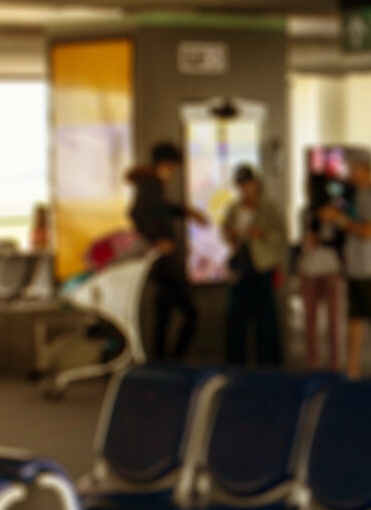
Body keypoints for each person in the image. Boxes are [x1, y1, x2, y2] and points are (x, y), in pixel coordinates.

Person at [320, 149, 371, 379]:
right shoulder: (353, 195)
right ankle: (352, 367)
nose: (349, 173)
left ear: (366, 169)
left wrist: (339, 220)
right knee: (354, 320)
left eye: (353, 168)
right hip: (355, 267)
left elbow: (368, 231)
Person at [127, 141, 207, 359]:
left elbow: (160, 209)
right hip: (163, 262)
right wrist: (158, 239)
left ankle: (161, 362)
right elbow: (136, 213)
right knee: (190, 314)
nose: (172, 172)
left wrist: (186, 211)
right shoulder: (151, 184)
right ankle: (173, 361)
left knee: (164, 315)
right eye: (172, 167)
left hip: (162, 261)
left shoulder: (152, 184)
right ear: (164, 164)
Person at [222, 165, 288, 368]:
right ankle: (236, 362)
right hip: (240, 266)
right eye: (241, 185)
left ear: (256, 184)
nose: (245, 189)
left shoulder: (268, 207)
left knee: (265, 318)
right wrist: (231, 235)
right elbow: (225, 229)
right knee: (236, 317)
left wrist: (261, 233)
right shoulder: (234, 208)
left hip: (262, 266)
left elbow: (281, 234)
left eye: (248, 184)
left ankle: (268, 363)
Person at [296, 169, 347, 371]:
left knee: (334, 319)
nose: (305, 189)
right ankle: (312, 361)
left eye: (308, 185)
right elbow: (304, 239)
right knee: (309, 319)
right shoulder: (304, 212)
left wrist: (323, 236)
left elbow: (339, 239)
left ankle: (336, 362)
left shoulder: (334, 211)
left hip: (330, 267)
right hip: (309, 267)